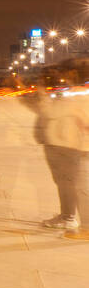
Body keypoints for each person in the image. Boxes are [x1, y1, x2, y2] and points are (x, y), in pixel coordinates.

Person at [32, 88, 89, 237]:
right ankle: (68, 215)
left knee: (71, 182)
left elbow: (52, 113)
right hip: (62, 142)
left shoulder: (75, 94)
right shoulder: (69, 92)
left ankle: (72, 219)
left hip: (67, 144)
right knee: (66, 182)